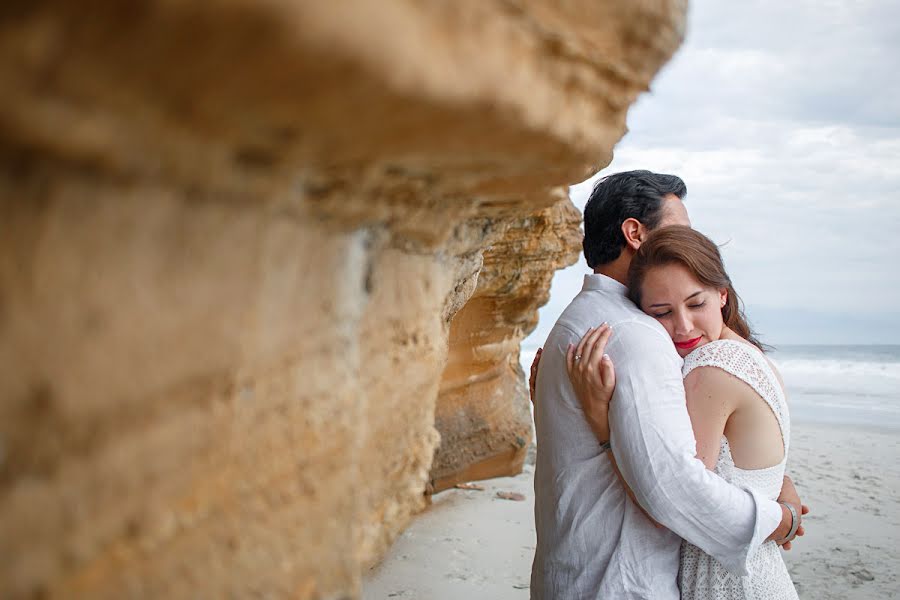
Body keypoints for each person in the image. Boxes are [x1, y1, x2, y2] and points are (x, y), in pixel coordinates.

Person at [528, 171, 805, 600]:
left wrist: (772, 478)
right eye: (681, 228)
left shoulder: (577, 320)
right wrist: (777, 519)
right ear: (635, 233)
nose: (691, 240)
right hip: (619, 581)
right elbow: (673, 485)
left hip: (577, 570)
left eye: (696, 303)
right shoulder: (633, 333)